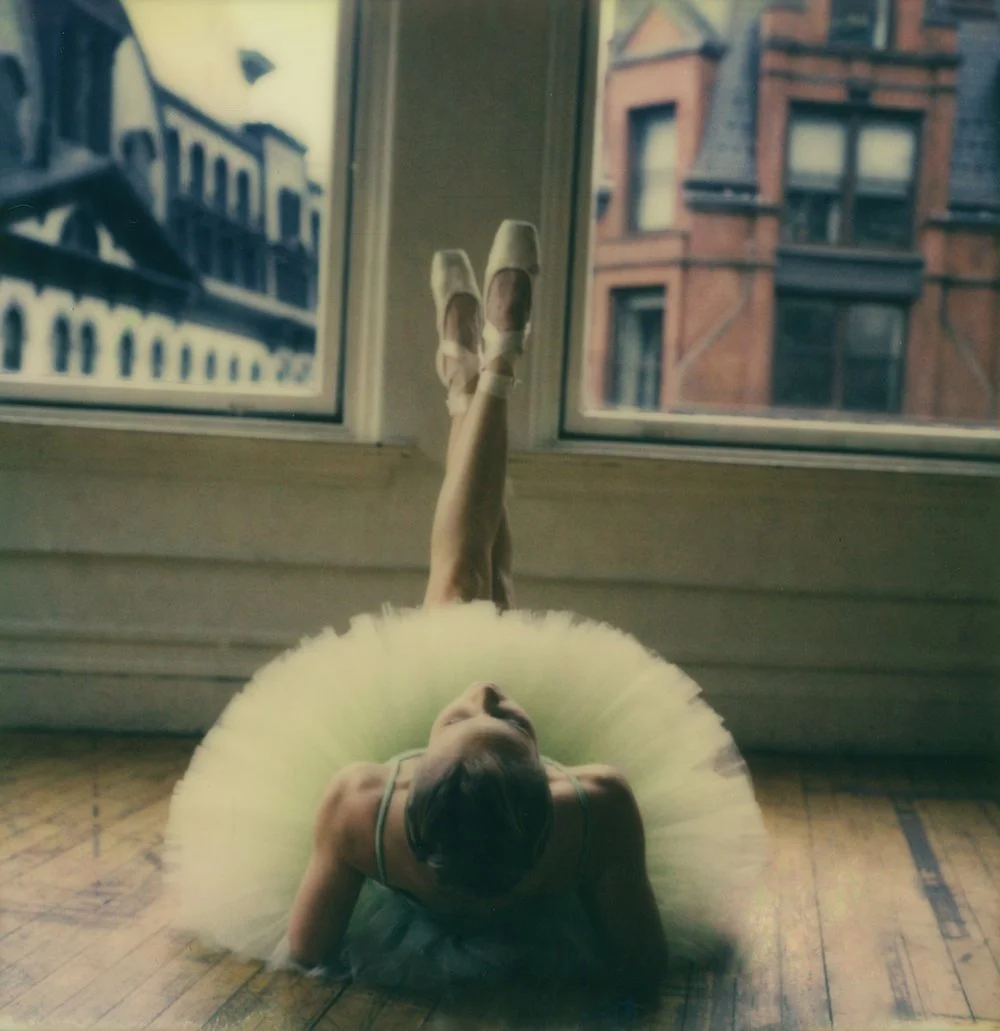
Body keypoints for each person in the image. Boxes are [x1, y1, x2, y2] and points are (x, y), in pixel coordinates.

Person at [164, 221, 768, 995]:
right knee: (497, 588)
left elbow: (304, 949)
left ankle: (496, 362)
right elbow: (643, 963)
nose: (483, 693)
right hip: (527, 866)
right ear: (553, 785)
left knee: (459, 582)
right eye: (515, 722)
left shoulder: (359, 806)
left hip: (440, 846)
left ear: (403, 780)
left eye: (457, 718)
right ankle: (465, 376)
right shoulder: (599, 807)